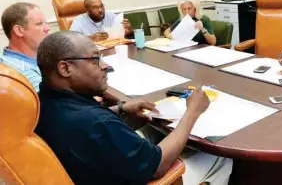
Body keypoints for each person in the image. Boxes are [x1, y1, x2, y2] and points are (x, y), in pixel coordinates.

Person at [35, 31, 232, 185]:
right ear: (65, 68)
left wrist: (120, 108)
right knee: (220, 157)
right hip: (143, 177)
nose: (105, 66)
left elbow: (94, 128)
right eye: (95, 59)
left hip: (92, 167)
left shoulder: (42, 100)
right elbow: (157, 165)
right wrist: (192, 112)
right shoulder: (96, 123)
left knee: (154, 128)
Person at [0, 2, 49, 91]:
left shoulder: (6, 59)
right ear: (19, 30)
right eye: (39, 24)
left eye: (45, 23)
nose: (47, 28)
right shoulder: (25, 73)